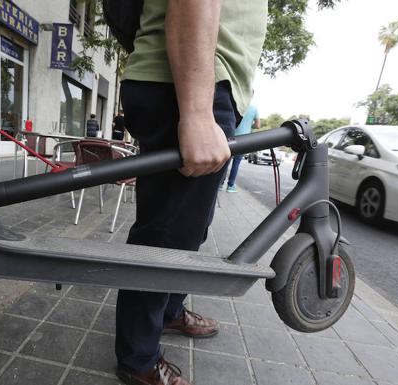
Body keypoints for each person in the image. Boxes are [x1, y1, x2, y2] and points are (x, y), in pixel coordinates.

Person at [115, 1, 267, 385]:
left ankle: (168, 312)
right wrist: (198, 112)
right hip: (187, 83)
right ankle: (138, 360)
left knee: (187, 230)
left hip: (188, 80)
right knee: (163, 241)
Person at [220, 102, 261, 192]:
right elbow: (258, 125)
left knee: (226, 161)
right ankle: (230, 186)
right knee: (236, 163)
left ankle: (220, 184)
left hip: (231, 137)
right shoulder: (254, 108)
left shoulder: (237, 103)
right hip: (244, 139)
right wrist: (250, 125)